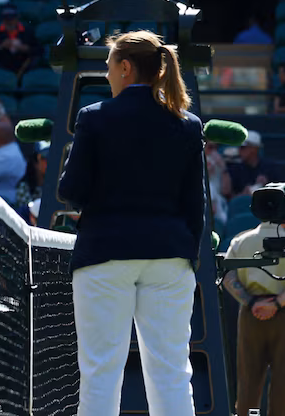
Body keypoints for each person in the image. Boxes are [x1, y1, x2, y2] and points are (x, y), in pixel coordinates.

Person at [57, 30, 205, 416]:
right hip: (170, 257)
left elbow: (71, 191)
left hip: (105, 254)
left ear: (125, 68)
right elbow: (196, 205)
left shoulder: (93, 118)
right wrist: (187, 254)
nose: (106, 75)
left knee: (100, 372)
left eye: (108, 67)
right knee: (173, 372)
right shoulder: (188, 124)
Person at [223, 216, 285, 416]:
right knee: (284, 383)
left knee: (249, 382)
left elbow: (228, 276)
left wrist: (253, 303)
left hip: (251, 313)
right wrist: (278, 303)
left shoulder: (241, 240)